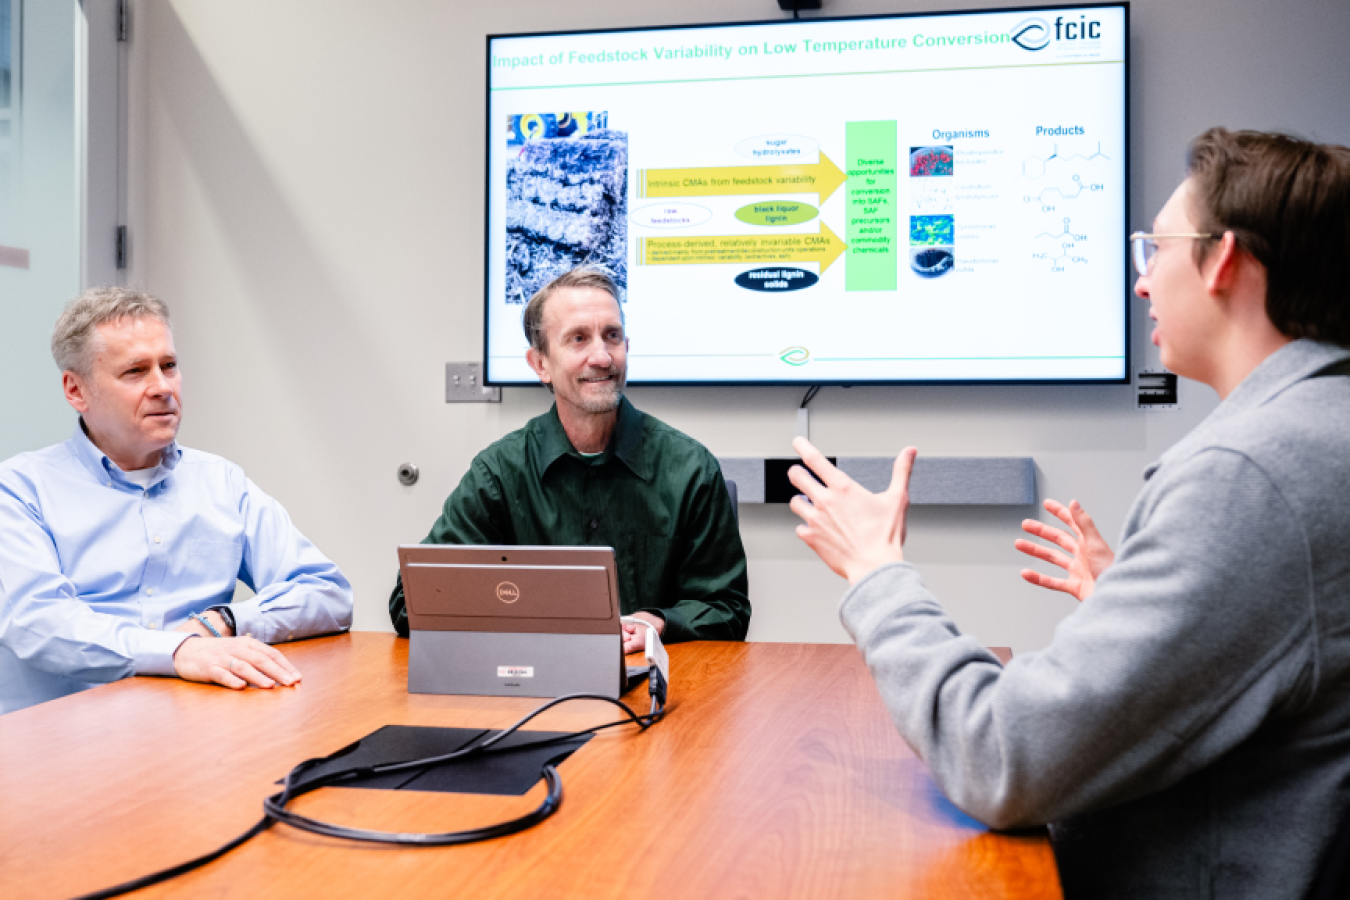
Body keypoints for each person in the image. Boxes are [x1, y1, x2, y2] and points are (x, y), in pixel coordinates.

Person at [787, 128, 1350, 898]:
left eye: (1155, 248)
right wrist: (1151, 609)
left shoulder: (1252, 476)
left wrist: (877, 572)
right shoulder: (1323, 430)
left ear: (1224, 258)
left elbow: (1000, 757)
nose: (1143, 282)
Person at [0, 288, 353, 715]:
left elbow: (327, 592)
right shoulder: (19, 489)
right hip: (62, 739)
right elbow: (37, 624)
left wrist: (223, 621)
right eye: (135, 371)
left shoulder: (221, 482)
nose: (163, 387)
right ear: (76, 390)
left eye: (168, 366)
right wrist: (177, 650)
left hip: (195, 727)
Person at [389, 267, 748, 653]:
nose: (602, 356)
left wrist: (656, 622)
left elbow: (727, 609)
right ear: (540, 364)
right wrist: (530, 619)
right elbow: (411, 605)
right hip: (530, 688)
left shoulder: (691, 469)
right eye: (578, 339)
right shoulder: (499, 473)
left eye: (612, 336)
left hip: (659, 692)